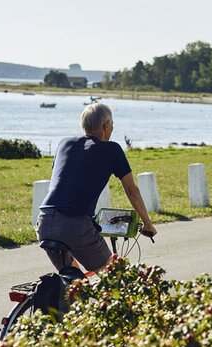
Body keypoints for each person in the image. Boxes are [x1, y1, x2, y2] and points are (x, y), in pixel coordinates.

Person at [36, 103, 157, 273]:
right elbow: (132, 191)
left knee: (73, 284)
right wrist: (147, 224)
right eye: (112, 125)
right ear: (106, 125)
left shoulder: (64, 144)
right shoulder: (113, 149)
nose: (112, 128)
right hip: (76, 225)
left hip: (46, 221)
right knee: (113, 275)